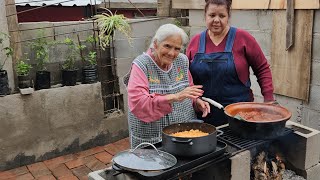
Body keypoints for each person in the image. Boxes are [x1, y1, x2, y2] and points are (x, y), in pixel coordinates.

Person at [187, 0, 274, 127]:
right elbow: (186, 77)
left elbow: (262, 68)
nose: (216, 20)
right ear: (205, 16)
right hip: (204, 113)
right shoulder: (195, 42)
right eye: (212, 15)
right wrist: (194, 101)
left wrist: (269, 98)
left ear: (228, 16)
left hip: (240, 114)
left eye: (222, 16)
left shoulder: (243, 38)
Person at [123, 24, 210, 148]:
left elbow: (188, 88)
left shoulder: (182, 60)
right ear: (156, 43)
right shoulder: (142, 64)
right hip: (153, 139)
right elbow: (138, 101)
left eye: (177, 48)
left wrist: (196, 102)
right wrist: (174, 97)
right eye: (167, 46)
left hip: (183, 134)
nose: (171, 53)